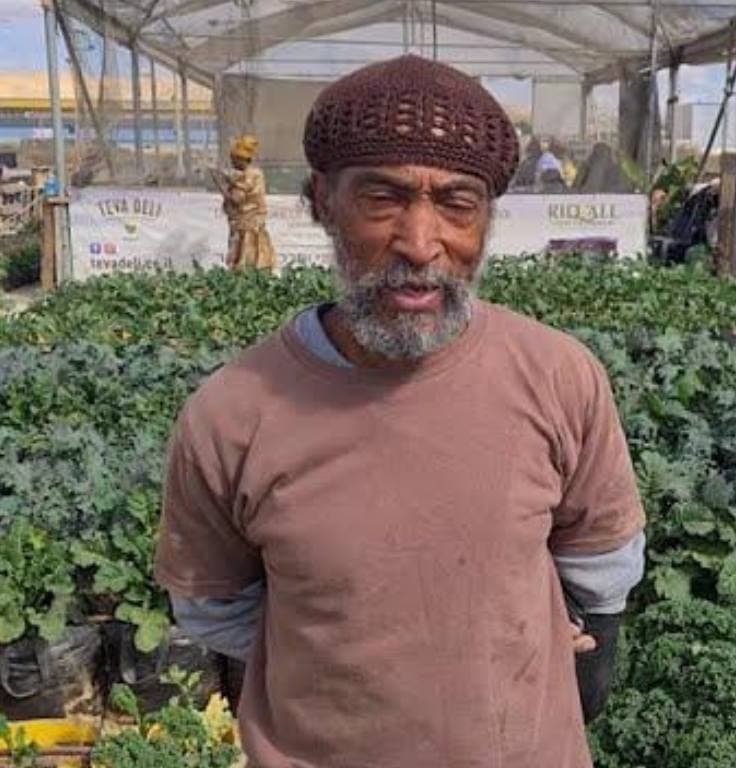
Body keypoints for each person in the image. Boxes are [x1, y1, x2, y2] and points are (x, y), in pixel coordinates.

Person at [155, 54, 646, 768]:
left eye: (457, 203)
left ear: (487, 218)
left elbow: (600, 566)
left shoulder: (560, 377)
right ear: (322, 201)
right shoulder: (230, 414)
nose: (421, 244)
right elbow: (216, 612)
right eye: (382, 199)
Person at [209, 135, 276, 271]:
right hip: (247, 225)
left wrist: (219, 183)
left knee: (246, 260)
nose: (232, 163)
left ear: (241, 159)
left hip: (248, 226)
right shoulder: (250, 174)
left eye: (234, 159)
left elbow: (236, 199)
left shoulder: (250, 175)